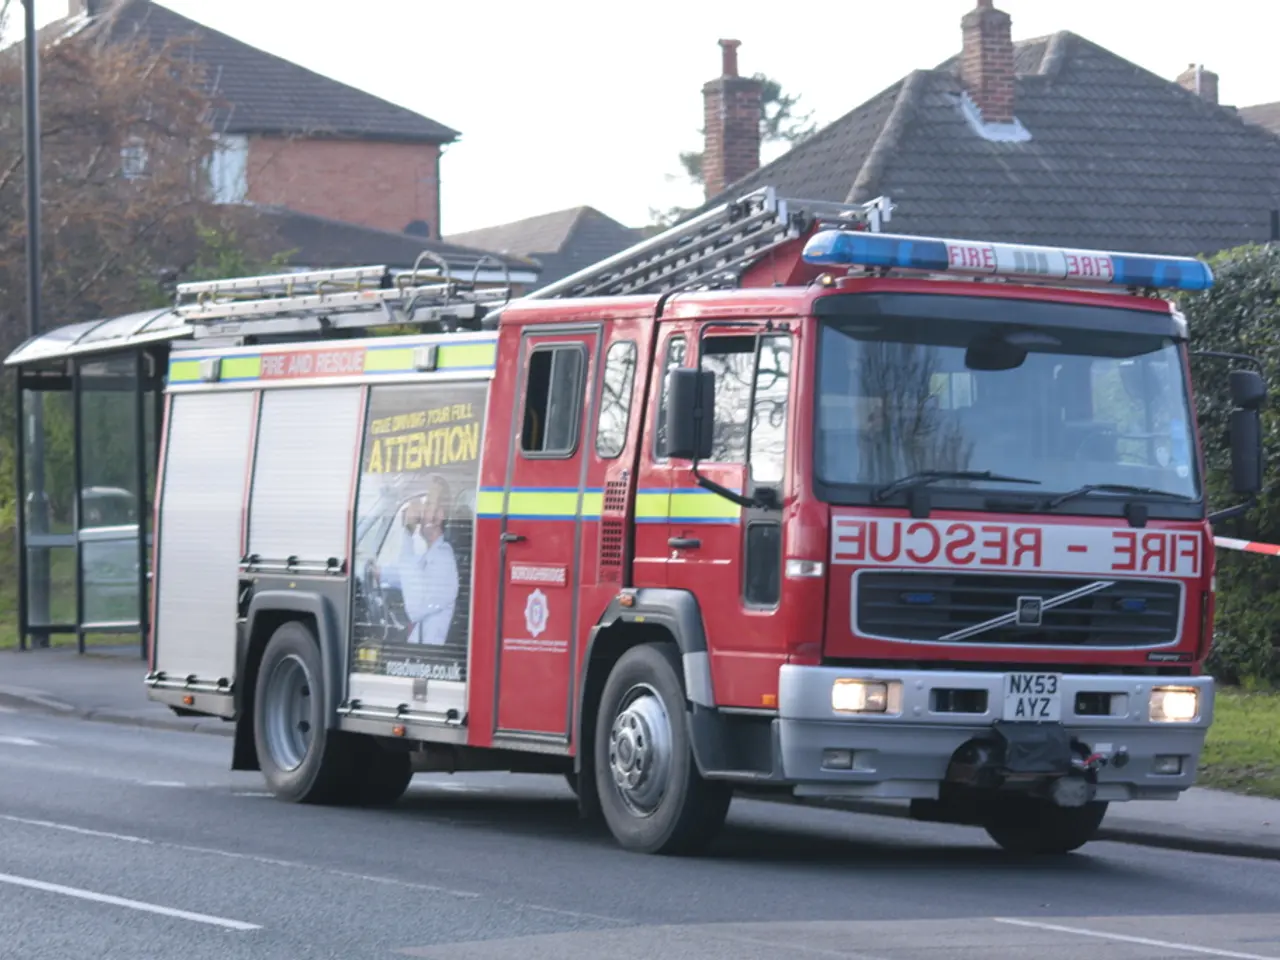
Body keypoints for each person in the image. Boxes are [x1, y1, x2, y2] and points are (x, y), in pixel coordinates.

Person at [379, 475, 459, 646]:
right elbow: (405, 573)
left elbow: (415, 607)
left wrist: (408, 531)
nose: (421, 511)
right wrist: (377, 572)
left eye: (428, 504)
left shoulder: (444, 560)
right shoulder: (430, 557)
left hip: (429, 658)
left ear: (440, 515)